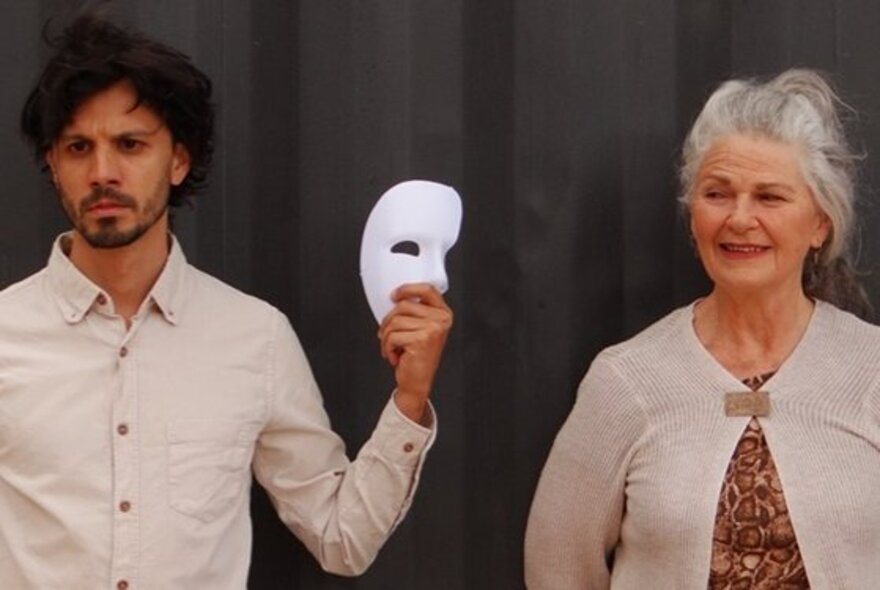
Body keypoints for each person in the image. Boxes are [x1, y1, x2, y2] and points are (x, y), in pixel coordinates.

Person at [0, 13, 453, 589]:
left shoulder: (253, 337)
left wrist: (411, 400)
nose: (103, 172)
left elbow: (343, 540)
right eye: (78, 147)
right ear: (54, 167)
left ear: (179, 160)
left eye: (130, 144)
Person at [524, 69, 880, 589]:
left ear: (820, 222)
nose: (739, 218)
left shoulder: (871, 369)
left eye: (770, 197)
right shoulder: (627, 380)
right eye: (717, 193)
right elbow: (557, 568)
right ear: (693, 215)